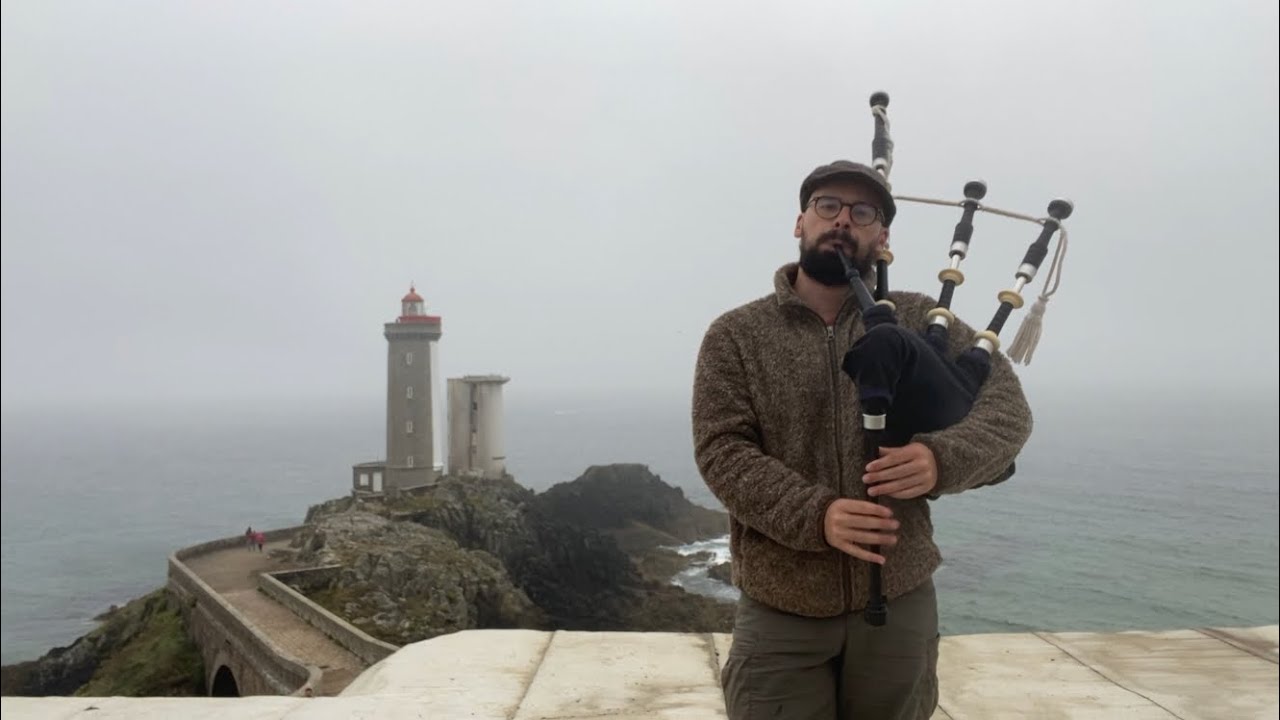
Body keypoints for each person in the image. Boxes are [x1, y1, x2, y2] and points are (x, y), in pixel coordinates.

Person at [691, 160, 1033, 720]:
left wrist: (939, 459)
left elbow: (1007, 411)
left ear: (883, 236)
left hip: (899, 602)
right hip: (783, 609)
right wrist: (817, 515)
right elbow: (722, 451)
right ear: (800, 221)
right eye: (828, 206)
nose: (843, 221)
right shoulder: (736, 335)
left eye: (863, 212)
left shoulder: (923, 319)